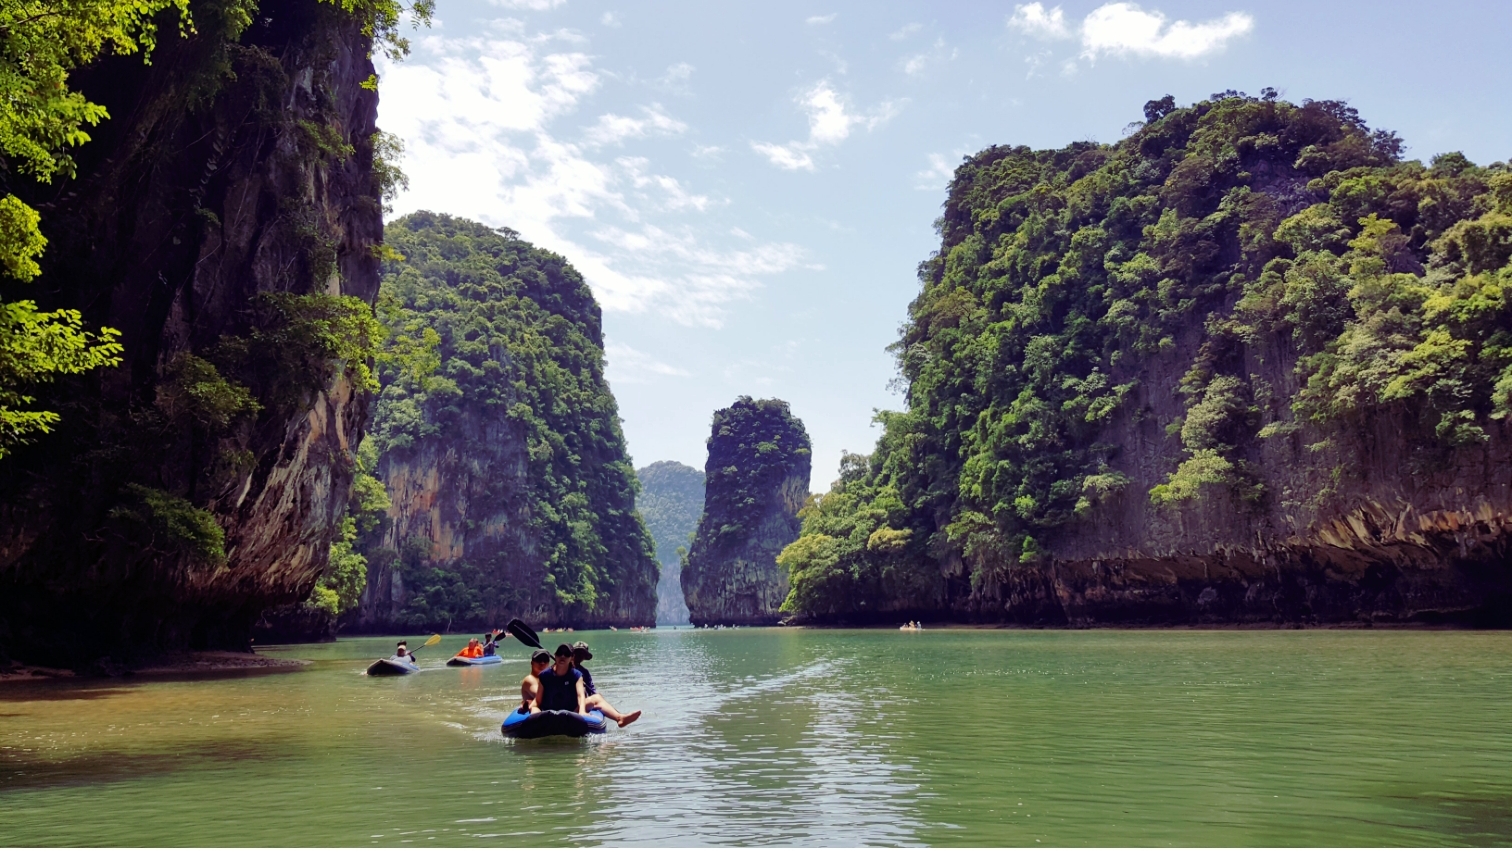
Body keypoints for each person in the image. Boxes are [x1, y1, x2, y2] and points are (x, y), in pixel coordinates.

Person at [571, 641, 641, 728]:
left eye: (582, 654)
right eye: (578, 653)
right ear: (572, 654)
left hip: (579, 704)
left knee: (597, 696)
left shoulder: (584, 672)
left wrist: (595, 696)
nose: (579, 656)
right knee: (597, 698)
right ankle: (619, 718)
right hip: (567, 704)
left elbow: (592, 691)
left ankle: (619, 716)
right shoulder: (564, 668)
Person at [530, 644, 587, 714]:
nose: (562, 656)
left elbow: (580, 696)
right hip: (548, 714)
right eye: (560, 653)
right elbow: (538, 701)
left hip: (571, 713)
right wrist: (533, 708)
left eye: (566, 654)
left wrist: (582, 711)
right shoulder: (544, 675)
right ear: (555, 655)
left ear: (572, 658)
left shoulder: (577, 675)